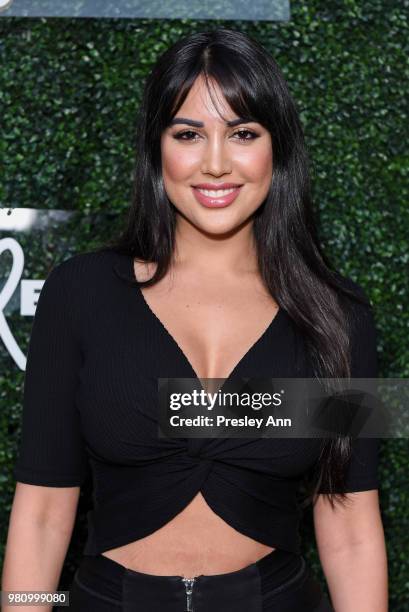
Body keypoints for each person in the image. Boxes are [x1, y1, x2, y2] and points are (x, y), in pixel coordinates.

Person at [2, 28, 388, 611]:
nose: (214, 163)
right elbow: (42, 513)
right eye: (188, 133)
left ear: (276, 148)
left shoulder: (339, 313)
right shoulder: (79, 293)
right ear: (157, 147)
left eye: (242, 134)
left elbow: (352, 526)